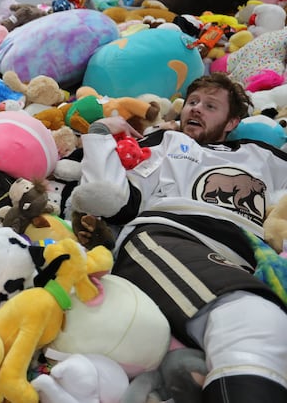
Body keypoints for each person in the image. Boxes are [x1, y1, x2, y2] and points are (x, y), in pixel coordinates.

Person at [79, 72, 287, 401]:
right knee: (253, 320)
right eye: (192, 103)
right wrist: (101, 135)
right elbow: (110, 200)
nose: (196, 109)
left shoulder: (263, 157)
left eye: (210, 105)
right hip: (169, 235)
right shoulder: (167, 143)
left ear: (232, 121)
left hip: (247, 259)